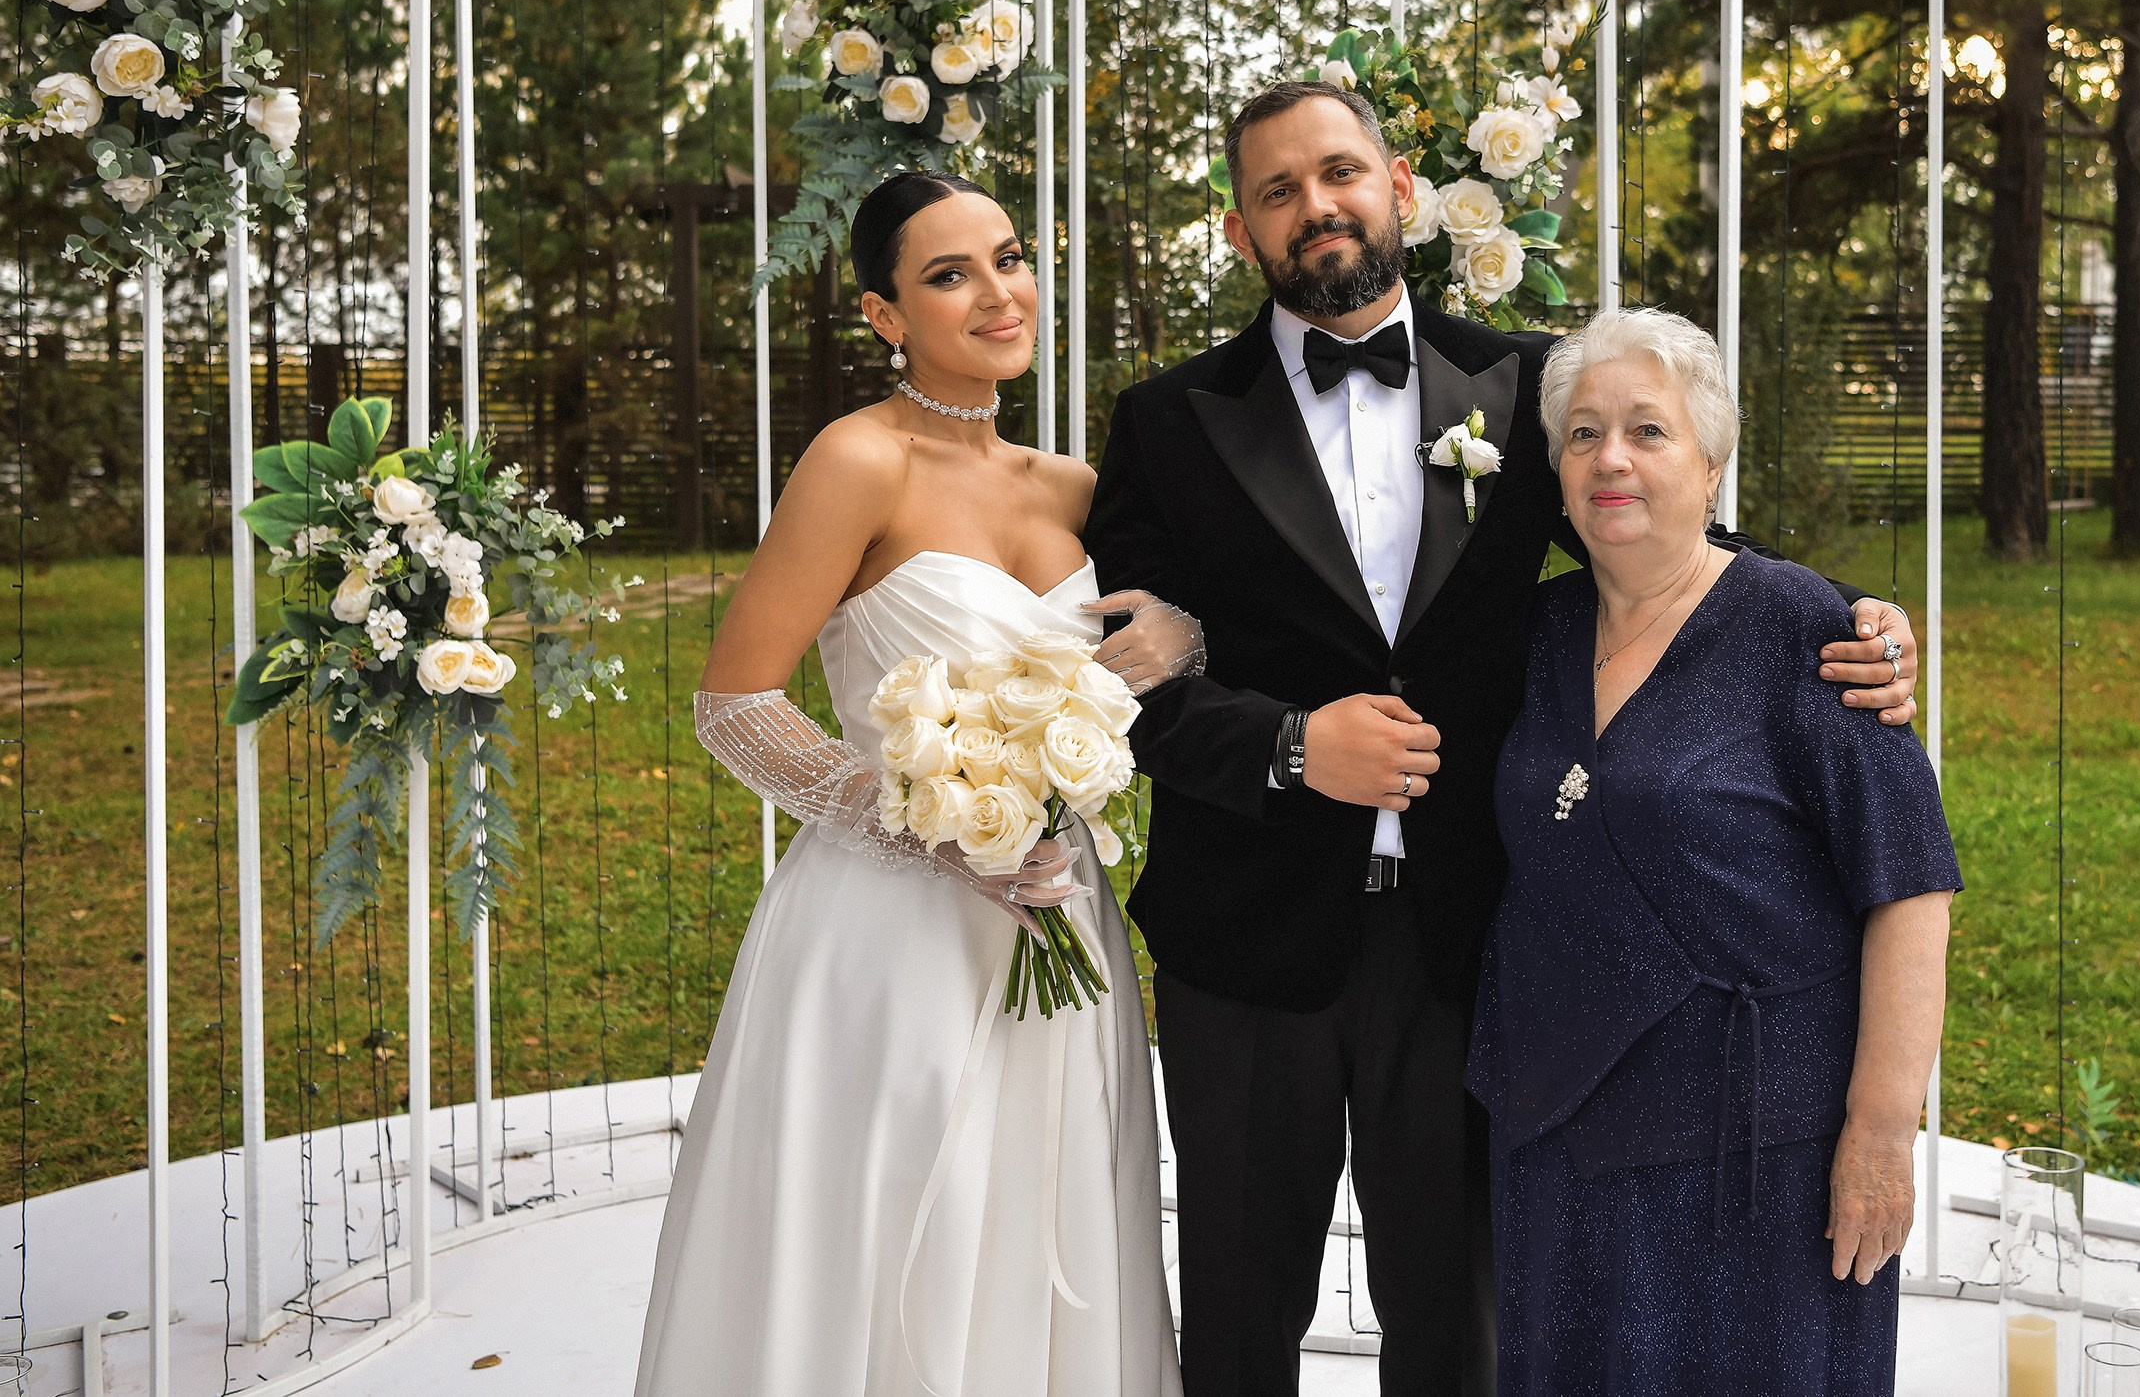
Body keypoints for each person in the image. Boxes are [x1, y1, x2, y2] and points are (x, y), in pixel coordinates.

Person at [1082, 81, 1922, 1397]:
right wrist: (1293, 743)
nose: (1318, 205)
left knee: (1459, 1315)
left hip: (1469, 939)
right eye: (1278, 189)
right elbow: (1124, 680)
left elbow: (1641, 521)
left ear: (1400, 187)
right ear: (1241, 228)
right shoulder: (1166, 423)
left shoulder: (1525, 384)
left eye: (1341, 171)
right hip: (1241, 939)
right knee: (1239, 1314)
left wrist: (1823, 614)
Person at [634, 172, 1190, 1397]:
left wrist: (1180, 641)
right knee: (892, 1224)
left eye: (1006, 258)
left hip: (1057, 916)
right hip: (894, 928)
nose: (997, 292)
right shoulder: (858, 460)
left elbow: (1167, 636)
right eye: (948, 276)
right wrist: (928, 827)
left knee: (1045, 1216)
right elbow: (734, 704)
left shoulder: (1078, 489)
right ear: (885, 316)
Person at [1466, 307, 1960, 1397]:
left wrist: (1882, 1130)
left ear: (1711, 459)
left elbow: (1910, 885)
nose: (1612, 458)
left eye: (1648, 430)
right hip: (1560, 1127)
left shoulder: (1808, 629)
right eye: (1584, 434)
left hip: (1756, 1154)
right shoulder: (1532, 634)